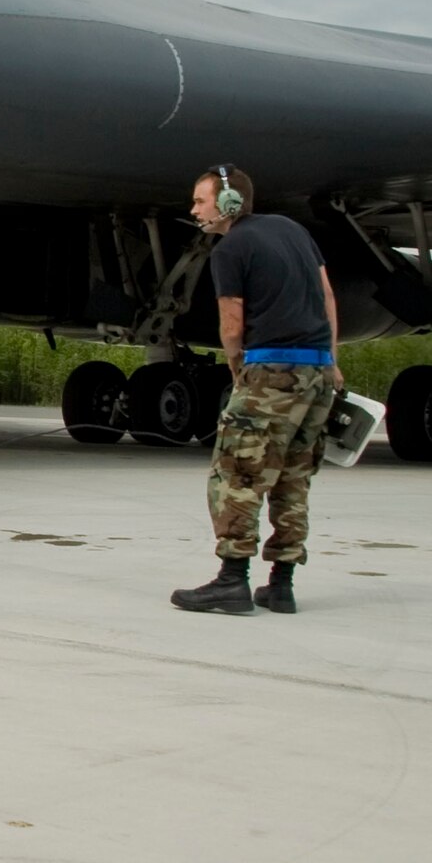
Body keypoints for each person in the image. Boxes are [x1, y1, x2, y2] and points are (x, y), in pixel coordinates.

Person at [171, 164, 342, 615]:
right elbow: (326, 297)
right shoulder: (292, 229)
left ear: (228, 203)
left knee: (237, 473)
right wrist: (333, 361)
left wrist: (236, 369)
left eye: (200, 200)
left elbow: (231, 326)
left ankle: (232, 581)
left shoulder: (229, 249)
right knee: (292, 476)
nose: (193, 209)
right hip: (318, 372)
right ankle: (281, 586)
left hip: (271, 373)